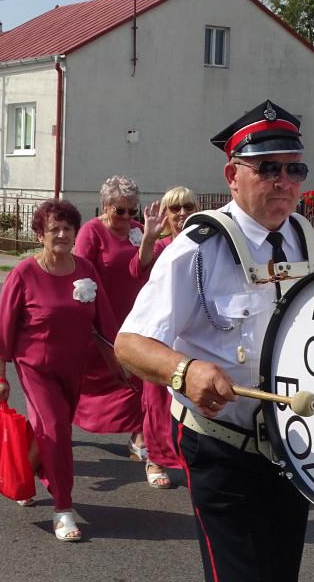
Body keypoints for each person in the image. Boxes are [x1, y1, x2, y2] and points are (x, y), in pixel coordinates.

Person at [116, 100, 314, 582]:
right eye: (268, 168)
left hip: (292, 448)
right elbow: (129, 343)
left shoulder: (311, 244)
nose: (285, 180)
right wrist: (186, 371)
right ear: (232, 175)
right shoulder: (197, 248)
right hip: (221, 446)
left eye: (294, 167)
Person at [0, 200, 116, 542]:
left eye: (67, 229)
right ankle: (63, 509)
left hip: (73, 368)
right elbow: (4, 328)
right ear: (40, 236)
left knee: (47, 430)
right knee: (58, 429)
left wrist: (125, 364)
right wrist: (0, 376)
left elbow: (105, 323)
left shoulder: (86, 270)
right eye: (53, 230)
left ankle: (23, 473)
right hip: (35, 367)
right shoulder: (24, 273)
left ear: (76, 232)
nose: (61, 235)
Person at [71, 177, 148, 475]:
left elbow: (147, 268)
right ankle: (59, 421)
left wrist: (151, 236)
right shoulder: (92, 231)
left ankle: (138, 435)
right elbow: (80, 273)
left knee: (138, 377)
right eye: (120, 211)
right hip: (101, 316)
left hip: (134, 318)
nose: (127, 219)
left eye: (133, 211)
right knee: (85, 379)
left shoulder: (140, 231)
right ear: (105, 206)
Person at [129, 186, 198, 488]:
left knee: (191, 398)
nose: (182, 213)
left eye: (188, 207)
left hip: (193, 333)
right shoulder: (160, 246)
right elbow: (139, 267)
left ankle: (189, 457)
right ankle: (154, 458)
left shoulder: (202, 243)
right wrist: (149, 236)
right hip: (160, 334)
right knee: (156, 400)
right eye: (175, 208)